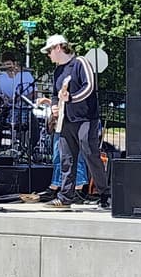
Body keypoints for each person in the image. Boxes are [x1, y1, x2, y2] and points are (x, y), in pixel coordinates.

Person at [37, 33, 109, 209]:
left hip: (86, 119)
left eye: (49, 51)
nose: (48, 55)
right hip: (66, 120)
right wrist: (55, 106)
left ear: (59, 47)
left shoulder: (81, 63)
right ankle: (65, 196)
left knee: (90, 153)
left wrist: (70, 98)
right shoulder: (57, 71)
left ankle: (105, 193)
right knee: (66, 158)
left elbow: (89, 87)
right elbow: (56, 94)